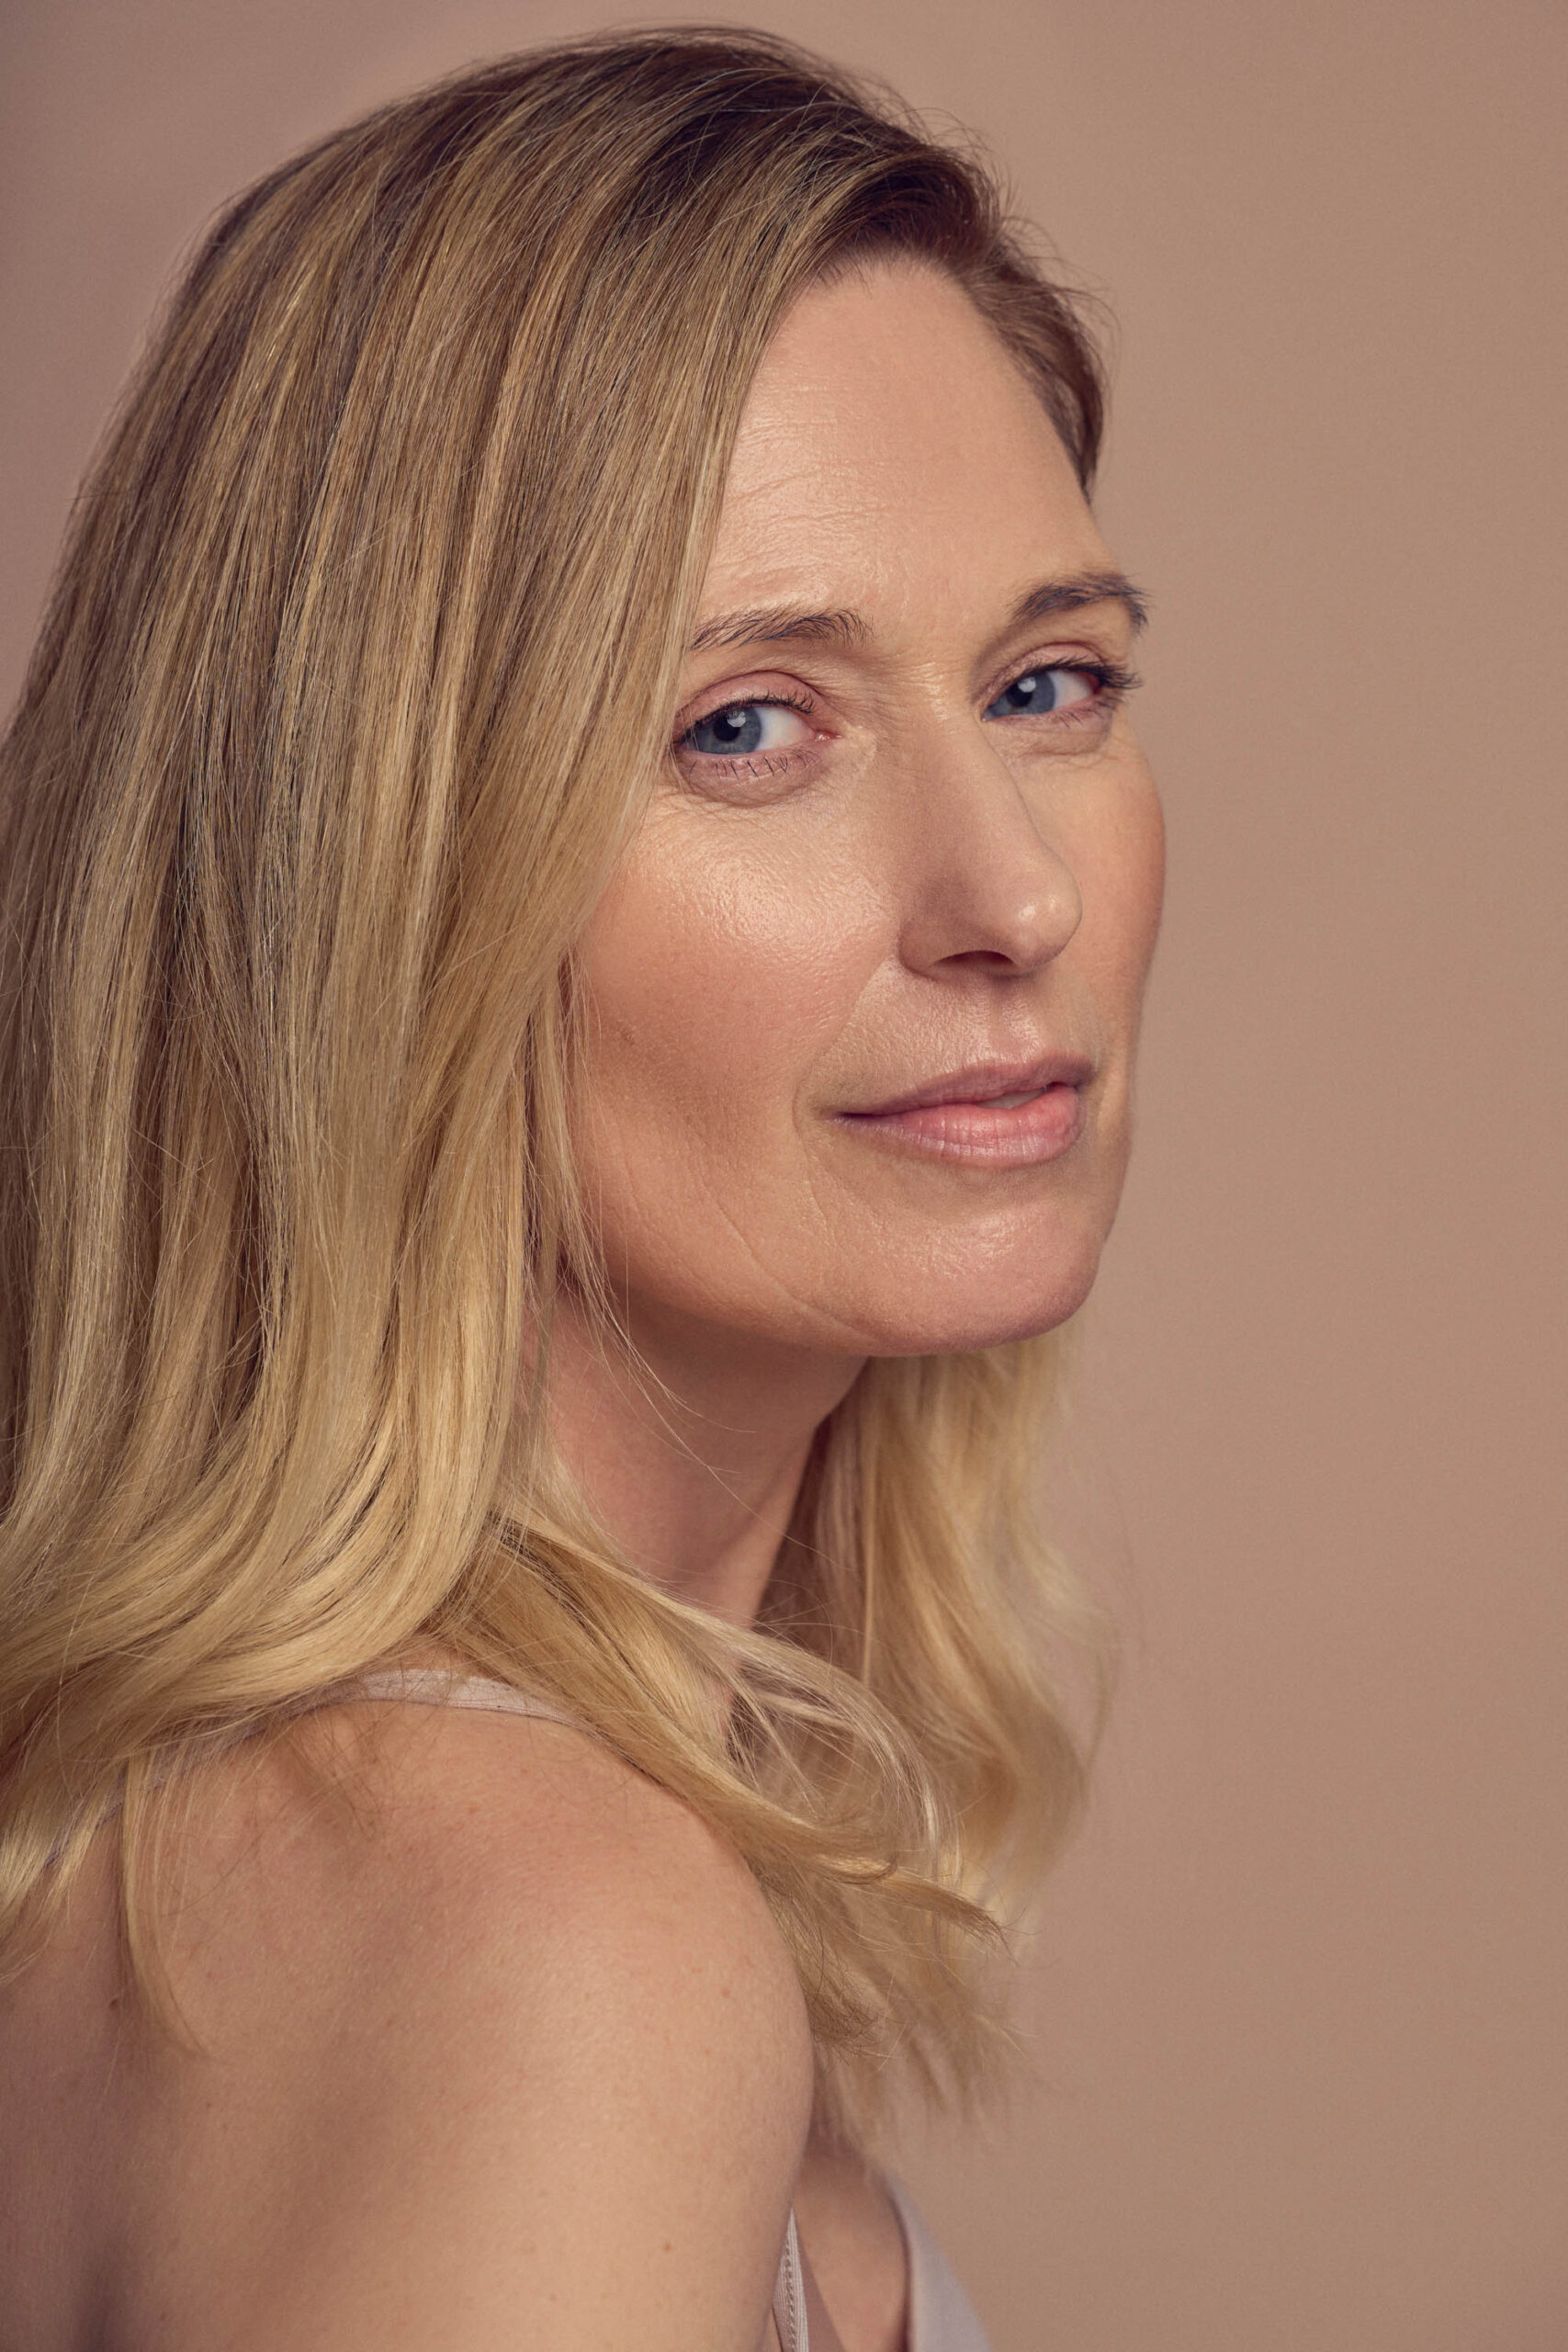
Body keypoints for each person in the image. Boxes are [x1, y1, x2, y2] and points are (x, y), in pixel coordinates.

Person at [0, 28, 1164, 2350]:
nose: (1008, 890)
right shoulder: (534, 1938)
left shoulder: (316, 1850)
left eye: (1047, 682)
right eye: (747, 724)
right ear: (367, 875)